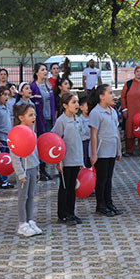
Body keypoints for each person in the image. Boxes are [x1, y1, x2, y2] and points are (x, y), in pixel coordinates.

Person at [9, 103, 42, 236]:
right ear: (21, 117)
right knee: (23, 197)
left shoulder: (32, 131)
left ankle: (30, 220)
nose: (34, 117)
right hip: (23, 170)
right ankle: (22, 224)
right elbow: (15, 157)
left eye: (34, 114)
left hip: (33, 168)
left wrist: (38, 170)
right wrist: (20, 173)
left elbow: (35, 152)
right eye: (30, 115)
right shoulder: (17, 133)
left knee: (31, 196)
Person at [51, 92, 84, 225]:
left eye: (77, 102)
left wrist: (81, 160)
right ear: (65, 105)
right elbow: (55, 140)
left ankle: (71, 212)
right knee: (64, 187)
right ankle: (62, 214)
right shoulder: (61, 121)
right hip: (65, 160)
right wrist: (58, 161)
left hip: (76, 158)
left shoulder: (78, 119)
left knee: (72, 187)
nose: (77, 105)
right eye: (73, 102)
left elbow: (79, 140)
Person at [89, 84, 122, 216]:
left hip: (112, 149)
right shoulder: (96, 113)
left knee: (109, 178)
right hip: (101, 151)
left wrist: (119, 149)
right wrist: (94, 153)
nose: (113, 96)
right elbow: (93, 134)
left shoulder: (112, 111)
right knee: (101, 178)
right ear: (101, 97)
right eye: (110, 93)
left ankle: (109, 202)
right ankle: (100, 205)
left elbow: (117, 131)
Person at [0, 86, 13, 189]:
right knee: (0, 159)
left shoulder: (7, 107)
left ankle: (5, 179)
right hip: (0, 138)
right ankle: (0, 180)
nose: (6, 97)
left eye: (8, 95)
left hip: (8, 137)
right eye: (4, 94)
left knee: (7, 159)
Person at [78, 96, 91, 169]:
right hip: (84, 143)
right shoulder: (79, 119)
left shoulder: (93, 117)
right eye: (87, 105)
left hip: (92, 142)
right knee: (85, 161)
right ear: (81, 107)